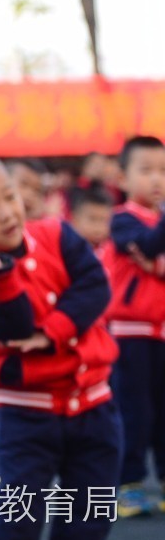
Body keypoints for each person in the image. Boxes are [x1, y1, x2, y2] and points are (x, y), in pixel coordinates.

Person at [0, 150, 120, 540]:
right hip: (28, 414)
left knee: (88, 519)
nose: (6, 213)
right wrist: (1, 278)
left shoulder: (57, 234)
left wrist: (53, 330)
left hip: (94, 404)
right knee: (19, 520)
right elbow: (12, 328)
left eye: (9, 196)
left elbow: (94, 287)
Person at [103, 136, 165, 518]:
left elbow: (153, 253)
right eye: (146, 171)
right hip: (130, 333)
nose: (156, 179)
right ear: (122, 177)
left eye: (162, 170)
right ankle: (129, 485)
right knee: (135, 411)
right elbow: (148, 244)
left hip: (160, 331)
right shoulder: (122, 219)